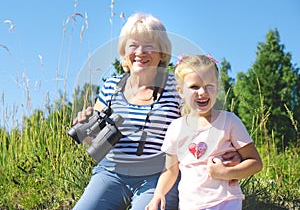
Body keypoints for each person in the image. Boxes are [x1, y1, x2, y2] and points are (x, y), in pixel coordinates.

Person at [72, 13, 241, 210]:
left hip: (157, 177)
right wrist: (84, 125)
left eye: (149, 45)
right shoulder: (112, 85)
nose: (140, 52)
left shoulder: (176, 87)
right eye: (133, 45)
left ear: (162, 52)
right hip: (110, 173)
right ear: (124, 51)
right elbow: (93, 139)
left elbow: (204, 126)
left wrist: (228, 153)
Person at [145, 55, 263, 210]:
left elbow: (255, 163)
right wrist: (159, 194)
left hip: (226, 202)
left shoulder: (229, 121)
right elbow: (170, 170)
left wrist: (228, 172)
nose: (202, 92)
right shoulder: (175, 128)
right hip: (190, 205)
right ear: (180, 91)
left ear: (217, 86)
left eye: (209, 85)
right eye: (194, 86)